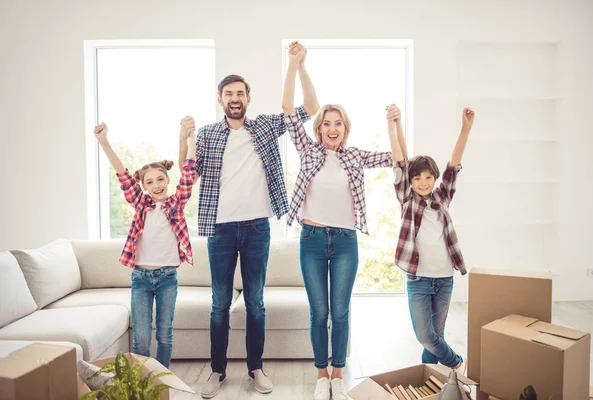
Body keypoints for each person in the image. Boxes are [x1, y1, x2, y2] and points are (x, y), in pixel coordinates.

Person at [178, 41, 319, 399]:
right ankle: (217, 371)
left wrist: (297, 65)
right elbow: (188, 173)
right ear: (220, 99)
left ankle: (256, 368)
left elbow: (311, 108)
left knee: (255, 302)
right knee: (219, 305)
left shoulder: (267, 127)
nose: (235, 98)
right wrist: (183, 138)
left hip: (257, 227)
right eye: (228, 93)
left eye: (240, 93)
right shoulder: (208, 134)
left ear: (248, 99)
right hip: (221, 230)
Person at [283, 43, 399, 400]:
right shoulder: (308, 150)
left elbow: (398, 159)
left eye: (339, 124)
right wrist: (295, 65)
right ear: (319, 129)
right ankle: (322, 374)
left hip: (346, 241)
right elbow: (289, 109)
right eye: (327, 123)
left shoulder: (354, 156)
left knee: (342, 312)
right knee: (320, 313)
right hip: (312, 239)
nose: (332, 128)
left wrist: (394, 124)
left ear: (345, 129)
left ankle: (338, 373)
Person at [93, 121, 196, 368]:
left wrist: (191, 139)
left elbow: (189, 174)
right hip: (140, 278)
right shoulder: (140, 204)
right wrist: (104, 141)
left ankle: (161, 382)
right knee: (140, 339)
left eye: (160, 179)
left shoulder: (176, 204)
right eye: (149, 182)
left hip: (167, 278)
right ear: (143, 186)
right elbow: (122, 173)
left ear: (168, 180)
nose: (156, 185)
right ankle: (142, 382)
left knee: (164, 334)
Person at [387, 104, 475, 371]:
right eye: (417, 178)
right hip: (419, 279)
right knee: (425, 336)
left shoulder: (442, 197)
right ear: (410, 182)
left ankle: (429, 380)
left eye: (428, 177)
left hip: (444, 279)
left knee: (434, 339)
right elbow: (400, 160)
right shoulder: (407, 199)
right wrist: (394, 125)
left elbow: (454, 165)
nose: (423, 182)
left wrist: (465, 129)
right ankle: (458, 364)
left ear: (435, 178)